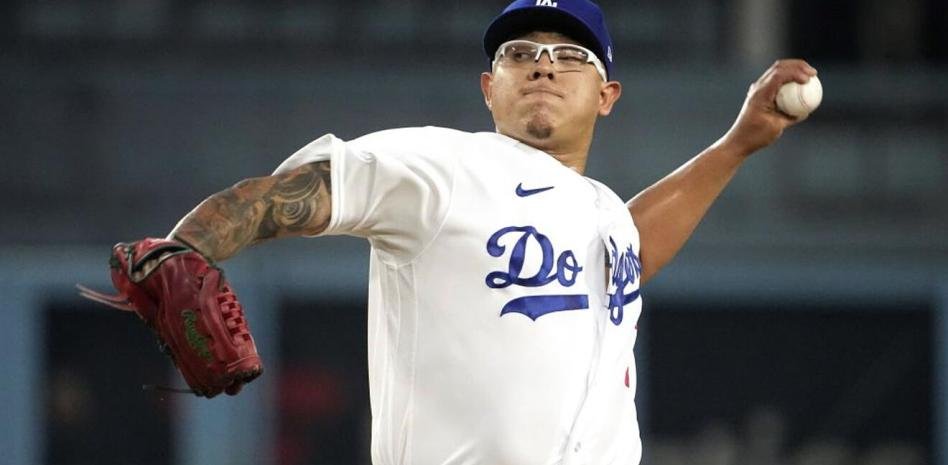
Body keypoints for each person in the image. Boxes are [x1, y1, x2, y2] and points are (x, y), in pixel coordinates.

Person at [165, 1, 817, 464]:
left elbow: (631, 249)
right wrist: (187, 248)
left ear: (607, 95)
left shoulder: (602, 212)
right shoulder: (442, 167)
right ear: (488, 87)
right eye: (519, 53)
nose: (543, 66)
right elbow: (286, 194)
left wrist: (737, 144)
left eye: (569, 55)